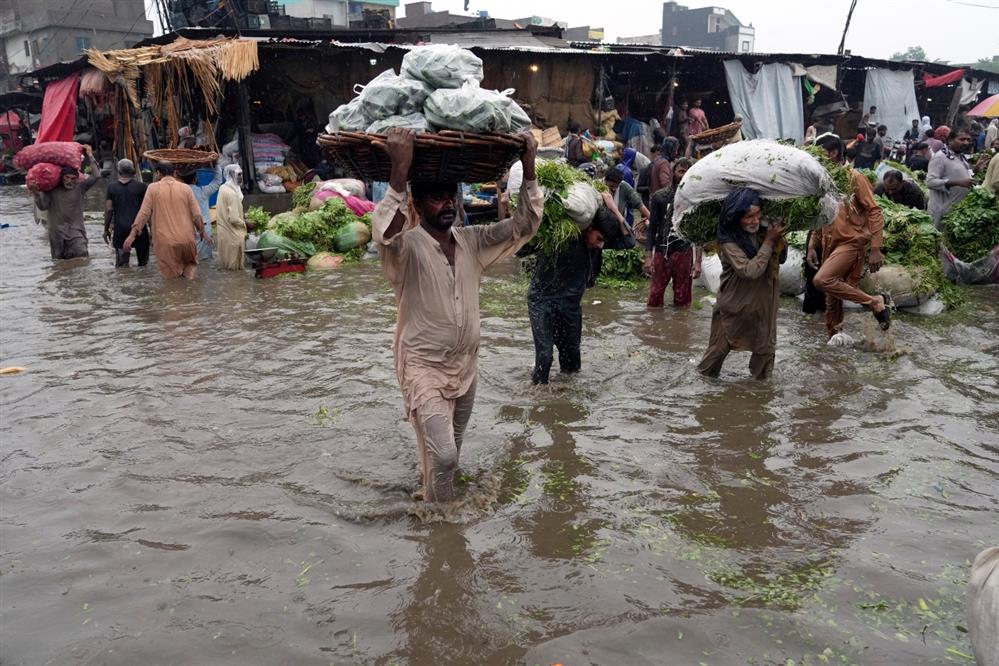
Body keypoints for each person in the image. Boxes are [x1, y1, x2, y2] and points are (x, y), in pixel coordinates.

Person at [371, 128, 542, 503]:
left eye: (452, 196)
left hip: (465, 365)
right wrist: (399, 173)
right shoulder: (406, 248)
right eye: (437, 197)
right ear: (417, 202)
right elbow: (384, 234)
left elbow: (524, 226)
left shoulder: (472, 241)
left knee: (452, 454)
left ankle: (435, 511)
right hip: (422, 366)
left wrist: (528, 168)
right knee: (445, 455)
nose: (448, 204)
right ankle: (442, 525)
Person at [524, 209, 625, 385]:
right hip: (541, 300)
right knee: (545, 358)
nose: (600, 246)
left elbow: (629, 241)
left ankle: (567, 398)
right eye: (599, 239)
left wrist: (613, 208)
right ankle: (536, 399)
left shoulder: (593, 245)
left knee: (571, 363)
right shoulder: (560, 236)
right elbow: (521, 249)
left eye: (604, 242)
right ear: (589, 227)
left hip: (570, 306)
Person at [697, 188, 787, 380]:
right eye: (748, 216)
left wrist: (779, 238)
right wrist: (770, 242)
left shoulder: (765, 232)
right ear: (736, 217)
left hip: (763, 306)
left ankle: (758, 402)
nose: (754, 221)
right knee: (713, 359)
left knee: (764, 359)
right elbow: (749, 271)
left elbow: (782, 259)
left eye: (757, 215)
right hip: (733, 307)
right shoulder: (728, 241)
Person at [809, 134, 890, 337]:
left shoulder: (854, 177)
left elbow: (874, 210)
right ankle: (835, 342)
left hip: (851, 242)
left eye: (820, 154)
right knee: (832, 301)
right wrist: (812, 245)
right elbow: (821, 215)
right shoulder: (824, 181)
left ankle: (875, 302)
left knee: (822, 280)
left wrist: (875, 248)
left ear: (833, 153)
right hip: (829, 242)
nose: (816, 159)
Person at [123, 162, 211, 280]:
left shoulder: (152, 188)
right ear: (175, 173)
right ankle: (191, 296)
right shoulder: (186, 188)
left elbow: (144, 213)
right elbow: (197, 215)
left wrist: (132, 235)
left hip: (166, 242)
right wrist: (202, 231)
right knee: (190, 271)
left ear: (158, 173)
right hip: (187, 240)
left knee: (172, 283)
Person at [645, 157, 701, 308]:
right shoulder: (659, 197)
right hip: (662, 249)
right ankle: (654, 327)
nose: (683, 175)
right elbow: (652, 228)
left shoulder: (694, 199)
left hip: (684, 250)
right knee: (655, 295)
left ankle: (680, 328)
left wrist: (698, 262)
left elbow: (698, 231)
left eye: (687, 172)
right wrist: (648, 256)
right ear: (673, 173)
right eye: (681, 171)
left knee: (682, 297)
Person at [29, 144, 101, 260]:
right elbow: (43, 207)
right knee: (59, 263)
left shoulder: (80, 187)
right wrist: (36, 193)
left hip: (76, 231)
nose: (69, 181)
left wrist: (90, 155)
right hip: (57, 232)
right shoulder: (51, 189)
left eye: (73, 179)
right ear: (61, 177)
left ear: (77, 179)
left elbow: (97, 176)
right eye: (67, 178)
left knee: (81, 255)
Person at [103, 158, 149, 267]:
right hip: (139, 229)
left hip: (120, 229)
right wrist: (152, 230)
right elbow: (148, 210)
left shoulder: (111, 187)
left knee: (122, 267)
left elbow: (109, 210)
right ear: (133, 171)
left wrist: (106, 230)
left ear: (119, 171)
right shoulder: (142, 187)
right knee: (143, 265)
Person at [926, 127, 975, 226]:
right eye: (962, 139)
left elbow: (961, 175)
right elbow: (930, 182)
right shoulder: (940, 157)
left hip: (956, 212)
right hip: (943, 212)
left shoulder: (961, 156)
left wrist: (976, 170)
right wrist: (957, 182)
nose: (966, 143)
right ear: (950, 140)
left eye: (968, 140)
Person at [183, 162, 222, 261]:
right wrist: (216, 165)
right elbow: (218, 181)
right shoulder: (203, 192)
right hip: (203, 228)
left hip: (186, 230)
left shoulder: (179, 194)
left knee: (190, 260)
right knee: (205, 260)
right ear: (195, 179)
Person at [216, 165, 249, 270]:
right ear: (231, 175)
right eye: (238, 174)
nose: (241, 177)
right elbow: (234, 219)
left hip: (224, 235)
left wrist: (243, 215)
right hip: (233, 236)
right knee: (235, 271)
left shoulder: (223, 188)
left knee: (225, 267)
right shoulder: (232, 194)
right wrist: (245, 223)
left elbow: (227, 210)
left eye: (241, 174)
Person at [604, 168, 650, 242]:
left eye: (616, 186)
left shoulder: (624, 186)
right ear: (605, 180)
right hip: (602, 226)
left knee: (630, 242)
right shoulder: (598, 186)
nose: (614, 189)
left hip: (618, 223)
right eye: (611, 186)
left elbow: (639, 204)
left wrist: (650, 218)